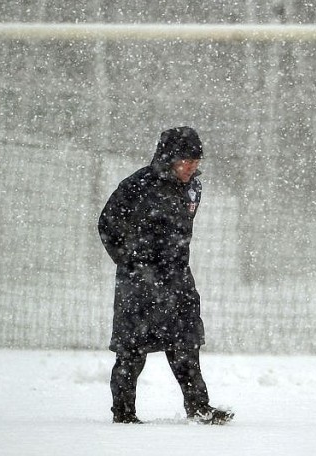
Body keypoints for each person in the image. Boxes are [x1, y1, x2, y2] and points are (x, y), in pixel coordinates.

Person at [98, 126, 233, 425]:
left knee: (186, 343)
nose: (192, 167)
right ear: (169, 158)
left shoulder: (193, 188)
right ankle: (123, 413)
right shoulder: (137, 186)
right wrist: (131, 263)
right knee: (131, 351)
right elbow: (107, 225)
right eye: (186, 160)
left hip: (178, 279)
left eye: (196, 161)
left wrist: (172, 268)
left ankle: (199, 408)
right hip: (139, 282)